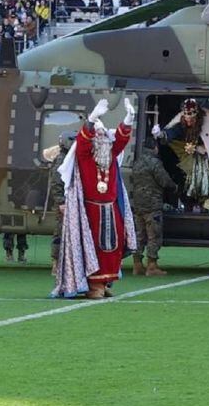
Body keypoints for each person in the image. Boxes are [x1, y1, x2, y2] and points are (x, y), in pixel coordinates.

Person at [52, 98, 136, 299]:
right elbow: (82, 141)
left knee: (113, 247)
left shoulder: (111, 155)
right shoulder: (85, 156)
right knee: (94, 248)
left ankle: (106, 281)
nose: (102, 140)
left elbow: (121, 140)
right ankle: (93, 284)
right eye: (97, 136)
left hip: (111, 208)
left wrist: (128, 119)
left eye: (104, 136)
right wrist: (92, 119)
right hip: (90, 211)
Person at [153, 98, 209, 213]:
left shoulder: (208, 118)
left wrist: (206, 149)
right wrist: (161, 134)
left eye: (191, 118)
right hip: (196, 155)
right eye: (186, 118)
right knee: (195, 177)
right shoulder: (181, 120)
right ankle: (194, 202)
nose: (189, 121)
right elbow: (174, 131)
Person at [129, 139, 177, 277]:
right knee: (153, 235)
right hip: (152, 204)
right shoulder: (155, 163)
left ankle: (137, 264)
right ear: (155, 148)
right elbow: (164, 181)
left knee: (140, 235)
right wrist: (174, 186)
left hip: (138, 204)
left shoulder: (137, 163)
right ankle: (152, 265)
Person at [45, 130, 75, 265]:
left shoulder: (69, 158)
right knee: (61, 232)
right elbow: (56, 183)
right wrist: (61, 202)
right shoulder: (62, 159)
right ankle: (56, 263)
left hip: (70, 200)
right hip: (64, 202)